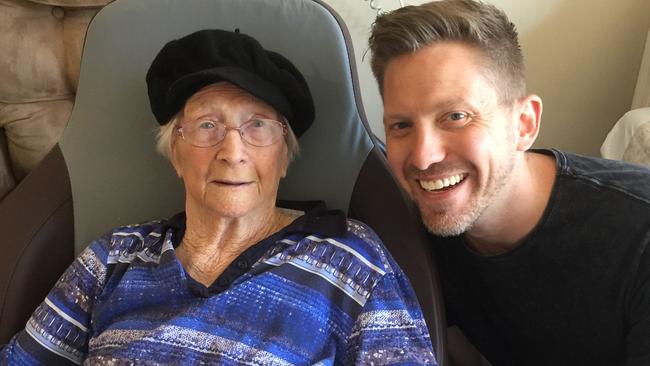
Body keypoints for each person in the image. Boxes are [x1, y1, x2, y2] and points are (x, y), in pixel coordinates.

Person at [0, 29, 437, 365]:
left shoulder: (351, 260)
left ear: (284, 157)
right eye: (208, 125)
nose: (232, 152)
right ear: (175, 151)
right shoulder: (113, 258)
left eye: (258, 126)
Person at [368, 0, 650, 365]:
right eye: (401, 125)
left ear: (524, 124)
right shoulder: (409, 233)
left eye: (456, 116)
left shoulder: (639, 238)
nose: (423, 157)